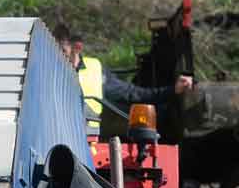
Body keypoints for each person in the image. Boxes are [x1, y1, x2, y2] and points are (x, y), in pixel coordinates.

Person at [48, 20, 193, 140]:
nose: (58, 58)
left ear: (77, 48)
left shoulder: (96, 71)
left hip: (88, 145)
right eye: (54, 53)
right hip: (54, 139)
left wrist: (173, 90)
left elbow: (133, 94)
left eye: (63, 52)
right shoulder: (47, 71)